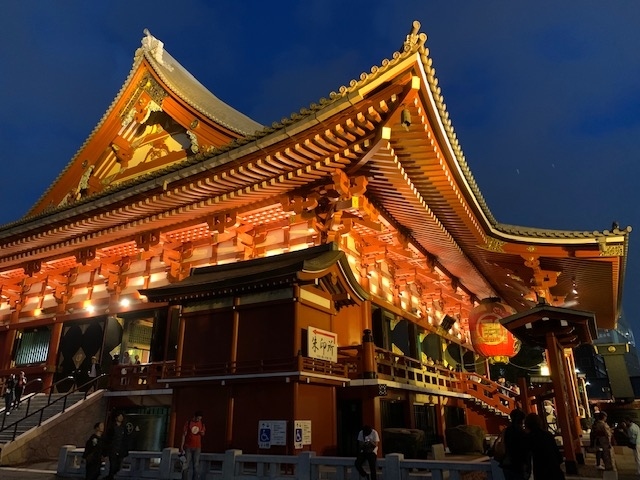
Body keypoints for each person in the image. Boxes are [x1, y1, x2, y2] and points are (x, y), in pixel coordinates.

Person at [524, 412, 564, 480]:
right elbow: (558, 456)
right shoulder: (548, 435)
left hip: (541, 471)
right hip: (555, 471)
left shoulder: (529, 438)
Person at [103, 411, 139, 480]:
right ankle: (110, 477)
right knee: (113, 465)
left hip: (121, 449)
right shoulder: (111, 427)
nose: (121, 418)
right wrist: (105, 451)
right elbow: (107, 439)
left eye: (122, 416)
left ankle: (109, 477)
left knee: (118, 466)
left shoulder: (123, 428)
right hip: (113, 449)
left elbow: (127, 438)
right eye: (119, 416)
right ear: (116, 417)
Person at [499, 409, 531, 480]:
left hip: (507, 463)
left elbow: (502, 446)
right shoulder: (523, 433)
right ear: (522, 420)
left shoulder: (506, 431)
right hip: (519, 464)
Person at [180, 410, 206, 480]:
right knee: (186, 465)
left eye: (200, 419)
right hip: (188, 446)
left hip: (197, 447)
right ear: (194, 417)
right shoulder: (188, 423)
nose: (198, 420)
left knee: (196, 465)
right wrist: (181, 446)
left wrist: (202, 432)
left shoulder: (202, 423)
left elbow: (203, 433)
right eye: (197, 418)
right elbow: (184, 434)